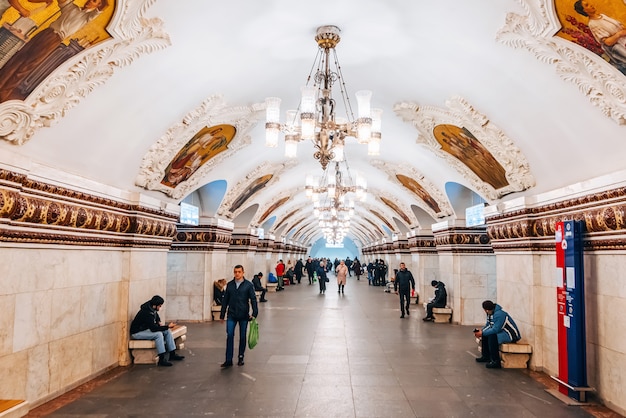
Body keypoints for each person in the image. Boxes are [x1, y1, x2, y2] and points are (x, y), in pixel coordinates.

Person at [0, 0, 110, 103]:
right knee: (20, 56)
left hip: (54, 39)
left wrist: (101, 5)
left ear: (98, 5)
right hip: (46, 33)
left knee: (27, 65)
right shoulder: (72, 7)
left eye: (94, 1)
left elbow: (102, 9)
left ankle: (4, 91)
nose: (90, 1)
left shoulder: (88, 17)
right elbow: (62, 1)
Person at [220, 265, 258, 368]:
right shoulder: (230, 285)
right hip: (232, 314)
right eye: (235, 272)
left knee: (242, 336)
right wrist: (222, 315)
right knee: (230, 335)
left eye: (239, 272)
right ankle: (228, 359)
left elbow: (253, 299)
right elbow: (225, 301)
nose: (237, 274)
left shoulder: (248, 285)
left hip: (243, 315)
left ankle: (241, 356)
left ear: (243, 273)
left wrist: (254, 313)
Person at [130, 295, 185, 367]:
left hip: (145, 330)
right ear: (154, 305)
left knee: (167, 331)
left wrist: (159, 321)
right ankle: (161, 359)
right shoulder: (146, 313)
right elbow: (154, 329)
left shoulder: (151, 308)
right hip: (137, 333)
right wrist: (167, 326)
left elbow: (156, 315)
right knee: (158, 334)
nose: (160, 308)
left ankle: (172, 354)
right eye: (159, 306)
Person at [574, 0, 626, 73]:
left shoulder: (602, 16)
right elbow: (607, 42)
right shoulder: (593, 24)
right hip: (619, 46)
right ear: (584, 10)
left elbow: (619, 26)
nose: (591, 5)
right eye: (587, 5)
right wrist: (619, 34)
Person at [474, 300, 521, 369]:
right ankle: (486, 356)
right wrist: (481, 331)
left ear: (486, 309)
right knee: (486, 335)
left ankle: (495, 361)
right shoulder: (490, 313)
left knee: (492, 337)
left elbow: (496, 329)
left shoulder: (500, 314)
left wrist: (483, 332)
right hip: (502, 332)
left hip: (511, 335)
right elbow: (489, 325)